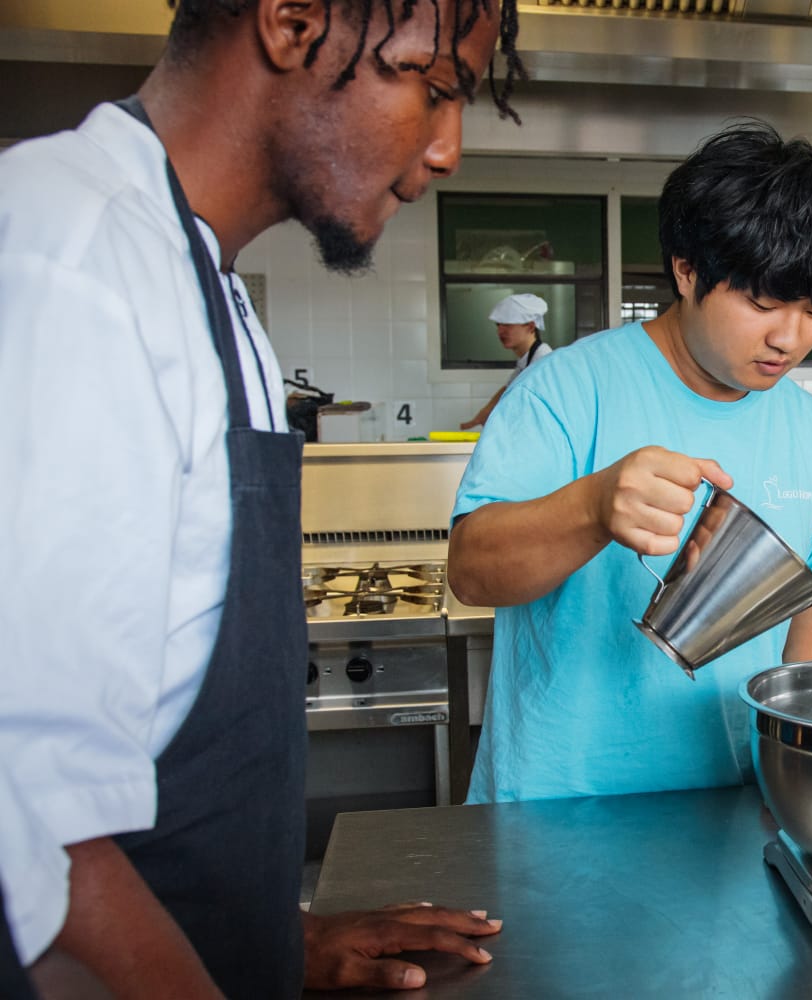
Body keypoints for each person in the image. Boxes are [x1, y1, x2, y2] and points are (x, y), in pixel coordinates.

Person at [0, 0, 527, 994]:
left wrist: (277, 940)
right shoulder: (67, 258)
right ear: (292, 22)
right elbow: (29, 835)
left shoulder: (206, 283)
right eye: (437, 87)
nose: (448, 149)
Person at [447, 121, 812, 803]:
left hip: (735, 811)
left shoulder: (805, 425)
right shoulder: (565, 391)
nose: (788, 338)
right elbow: (472, 572)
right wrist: (592, 509)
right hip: (558, 811)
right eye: (763, 302)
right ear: (686, 270)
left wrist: (808, 781)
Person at [460, 291, 553, 428]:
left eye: (508, 325)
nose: (500, 331)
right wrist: (481, 416)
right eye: (498, 325)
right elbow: (508, 389)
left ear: (531, 327)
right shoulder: (526, 360)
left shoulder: (542, 360)